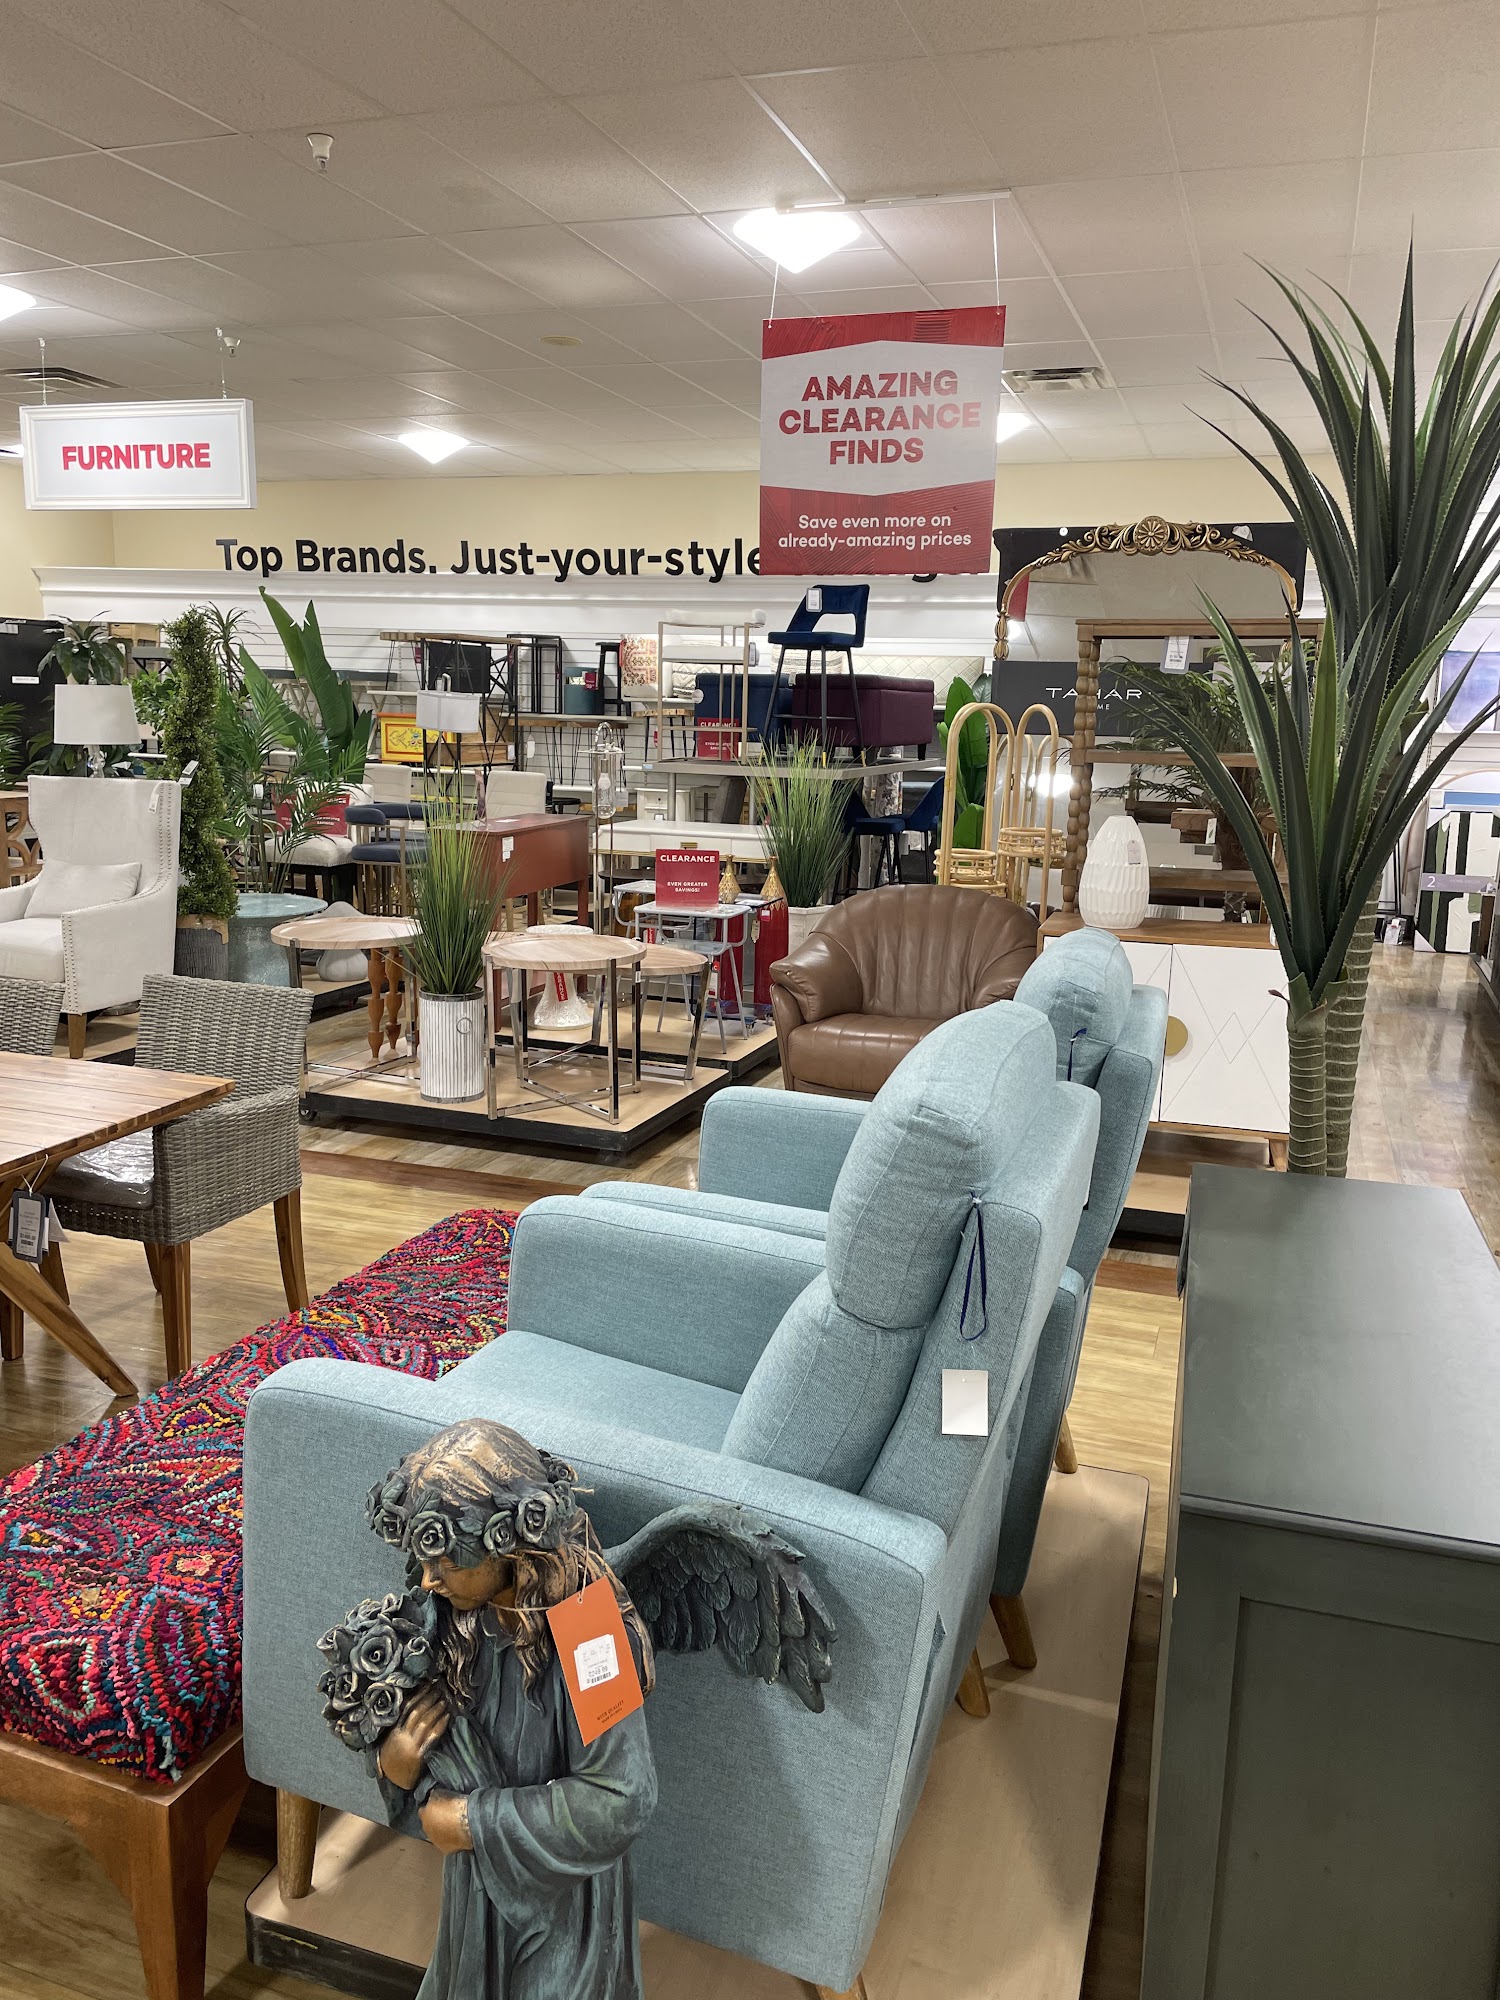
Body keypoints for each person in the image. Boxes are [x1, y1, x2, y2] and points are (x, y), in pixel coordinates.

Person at [365, 1419, 658, 2000]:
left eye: (448, 1561)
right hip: (476, 1903)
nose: (428, 1579)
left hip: (568, 1910)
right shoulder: (448, 1616)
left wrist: (474, 1821)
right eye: (426, 1558)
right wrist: (394, 1766)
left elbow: (624, 1796)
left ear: (506, 1544)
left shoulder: (589, 1631)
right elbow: (426, 1753)